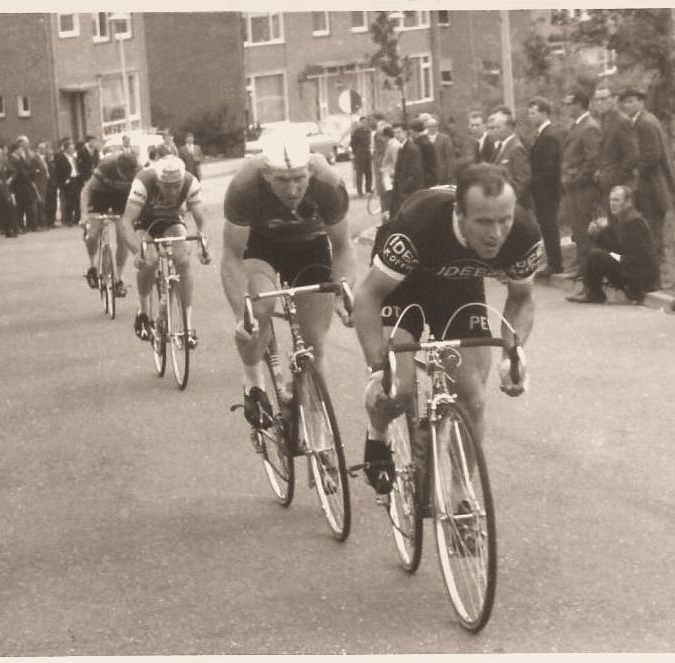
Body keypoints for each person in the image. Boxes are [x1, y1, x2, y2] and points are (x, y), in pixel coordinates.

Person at [353, 164, 536, 494]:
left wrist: (513, 352)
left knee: (472, 399)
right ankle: (378, 434)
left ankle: (462, 495)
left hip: (458, 288)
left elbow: (521, 299)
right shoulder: (418, 224)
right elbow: (368, 296)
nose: (496, 233)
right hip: (402, 286)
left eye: (504, 219)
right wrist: (378, 367)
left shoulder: (523, 233)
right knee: (398, 391)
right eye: (484, 222)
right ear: (459, 214)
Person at [220, 130, 355, 427]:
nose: (293, 189)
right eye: (282, 180)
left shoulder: (328, 183)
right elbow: (231, 255)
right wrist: (242, 314)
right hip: (262, 247)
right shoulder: (245, 185)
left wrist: (342, 293)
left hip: (310, 247)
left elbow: (343, 246)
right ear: (266, 174)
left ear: (310, 170)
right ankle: (253, 381)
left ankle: (316, 428)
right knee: (259, 310)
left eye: (299, 178)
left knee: (314, 343)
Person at [119, 155, 210, 343]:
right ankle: (143, 313)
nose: (173, 191)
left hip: (171, 219)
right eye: (167, 186)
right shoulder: (144, 181)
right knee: (150, 260)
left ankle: (187, 326)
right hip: (144, 221)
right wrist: (136, 252)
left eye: (177, 186)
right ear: (158, 182)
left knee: (183, 260)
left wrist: (203, 246)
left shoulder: (190, 182)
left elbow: (201, 221)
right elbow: (126, 222)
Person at [618, 88, 675, 269]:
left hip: (652, 184)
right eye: (625, 102)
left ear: (641, 102)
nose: (627, 105)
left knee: (651, 224)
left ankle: (655, 265)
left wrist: (634, 171)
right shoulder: (642, 120)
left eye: (632, 101)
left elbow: (651, 157)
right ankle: (655, 263)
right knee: (651, 224)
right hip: (652, 182)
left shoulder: (644, 123)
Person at [566, 186, 658, 305]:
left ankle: (594, 293)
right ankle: (591, 290)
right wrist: (595, 234)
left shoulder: (635, 223)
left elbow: (633, 260)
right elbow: (609, 244)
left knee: (596, 255)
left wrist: (609, 255)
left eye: (617, 200)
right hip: (630, 271)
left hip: (639, 280)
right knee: (598, 253)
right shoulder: (621, 219)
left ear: (628, 202)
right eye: (611, 200)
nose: (612, 204)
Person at [80, 151, 141, 296]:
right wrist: (84, 215)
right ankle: (92, 266)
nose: (124, 177)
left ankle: (119, 279)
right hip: (100, 194)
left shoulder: (139, 170)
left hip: (122, 197)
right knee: (93, 234)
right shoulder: (106, 166)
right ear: (117, 167)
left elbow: (143, 195)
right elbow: (86, 190)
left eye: (128, 175)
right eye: (122, 173)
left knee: (123, 236)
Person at [559, 90, 602, 279]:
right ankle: (583, 265)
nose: (566, 107)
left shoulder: (589, 127)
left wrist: (577, 179)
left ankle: (588, 269)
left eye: (569, 103)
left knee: (584, 228)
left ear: (579, 104)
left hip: (583, 188)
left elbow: (593, 159)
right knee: (578, 228)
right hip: (574, 187)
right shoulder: (578, 125)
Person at [526, 97, 563, 279]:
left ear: (544, 113)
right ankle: (553, 262)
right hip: (542, 190)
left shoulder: (549, 135)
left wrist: (532, 181)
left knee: (549, 225)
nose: (530, 116)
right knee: (546, 225)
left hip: (547, 190)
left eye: (533, 113)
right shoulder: (542, 134)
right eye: (529, 113)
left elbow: (549, 167)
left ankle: (555, 264)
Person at [592, 84, 638, 207]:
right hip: (607, 183)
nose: (600, 103)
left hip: (620, 186)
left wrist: (617, 178)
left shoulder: (622, 121)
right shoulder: (603, 120)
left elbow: (632, 155)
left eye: (603, 99)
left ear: (614, 99)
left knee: (620, 217)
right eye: (597, 100)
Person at [488, 106, 532, 211]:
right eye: (494, 128)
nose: (495, 131)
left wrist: (512, 199)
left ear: (509, 128)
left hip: (513, 204)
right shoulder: (501, 146)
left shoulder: (516, 148)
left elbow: (523, 180)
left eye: (498, 127)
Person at [389, 121, 425, 217]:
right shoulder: (402, 148)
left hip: (409, 192)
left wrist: (404, 188)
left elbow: (415, 172)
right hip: (403, 191)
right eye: (394, 132)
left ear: (405, 132)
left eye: (399, 132)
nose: (396, 135)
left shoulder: (412, 149)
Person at [425, 115, 455, 185]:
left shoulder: (444, 138)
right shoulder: (424, 139)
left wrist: (449, 174)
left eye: (433, 126)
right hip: (428, 173)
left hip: (441, 173)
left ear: (437, 127)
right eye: (429, 126)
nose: (431, 128)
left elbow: (449, 157)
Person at [409, 118, 438, 188]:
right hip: (429, 178)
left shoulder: (419, 144)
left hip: (422, 180)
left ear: (413, 131)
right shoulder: (426, 141)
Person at [350, 117, 373, 196]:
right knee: (360, 172)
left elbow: (369, 142)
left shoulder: (368, 131)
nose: (364, 123)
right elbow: (352, 143)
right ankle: (359, 190)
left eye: (366, 122)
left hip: (367, 152)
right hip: (359, 154)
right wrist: (355, 152)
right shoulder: (357, 131)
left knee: (368, 172)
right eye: (363, 122)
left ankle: (368, 188)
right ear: (360, 122)